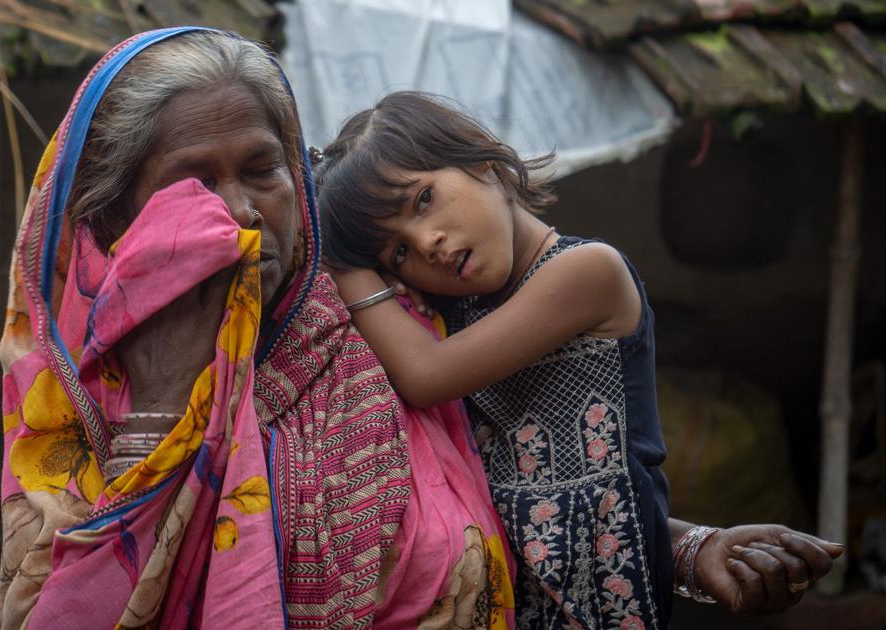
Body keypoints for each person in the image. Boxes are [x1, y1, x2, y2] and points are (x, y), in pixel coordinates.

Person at [0, 31, 517, 629]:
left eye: (262, 169)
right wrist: (161, 412)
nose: (241, 210)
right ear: (115, 215)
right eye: (192, 181)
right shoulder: (69, 399)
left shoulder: (389, 327)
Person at [313, 91, 845, 629]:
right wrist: (691, 545)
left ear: (484, 163)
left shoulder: (586, 271)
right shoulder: (457, 318)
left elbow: (425, 375)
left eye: (423, 199)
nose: (427, 241)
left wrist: (337, 259)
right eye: (398, 252)